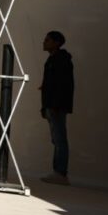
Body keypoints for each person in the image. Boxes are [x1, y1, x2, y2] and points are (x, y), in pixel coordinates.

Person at [40, 31, 74, 185]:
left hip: (56, 106)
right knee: (57, 139)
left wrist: (55, 104)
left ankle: (60, 172)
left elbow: (63, 85)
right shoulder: (52, 60)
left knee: (60, 139)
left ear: (56, 43)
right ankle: (58, 172)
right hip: (52, 105)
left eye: (47, 40)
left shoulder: (61, 60)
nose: (44, 42)